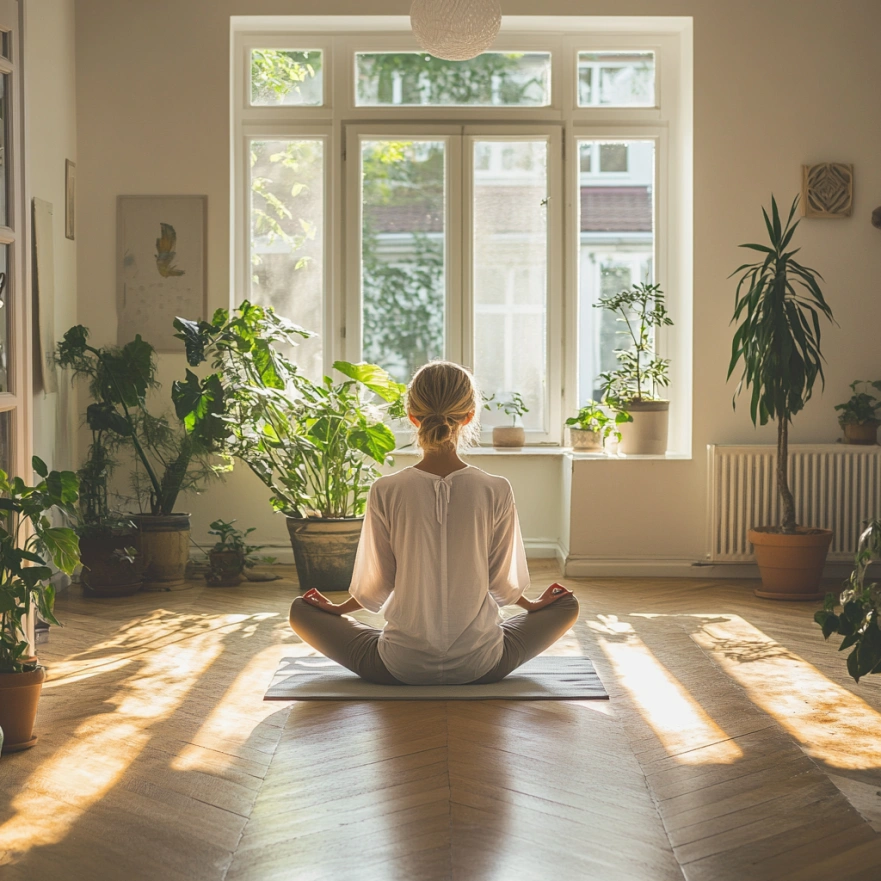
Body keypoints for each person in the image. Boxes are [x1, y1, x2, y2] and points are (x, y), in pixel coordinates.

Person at [288, 361, 579, 685]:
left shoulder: (386, 490)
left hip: (398, 666)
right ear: (469, 416)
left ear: (412, 416)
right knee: (567, 606)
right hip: (482, 665)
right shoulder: (496, 488)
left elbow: (378, 585)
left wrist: (339, 610)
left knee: (301, 610)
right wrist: (536, 604)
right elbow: (501, 583)